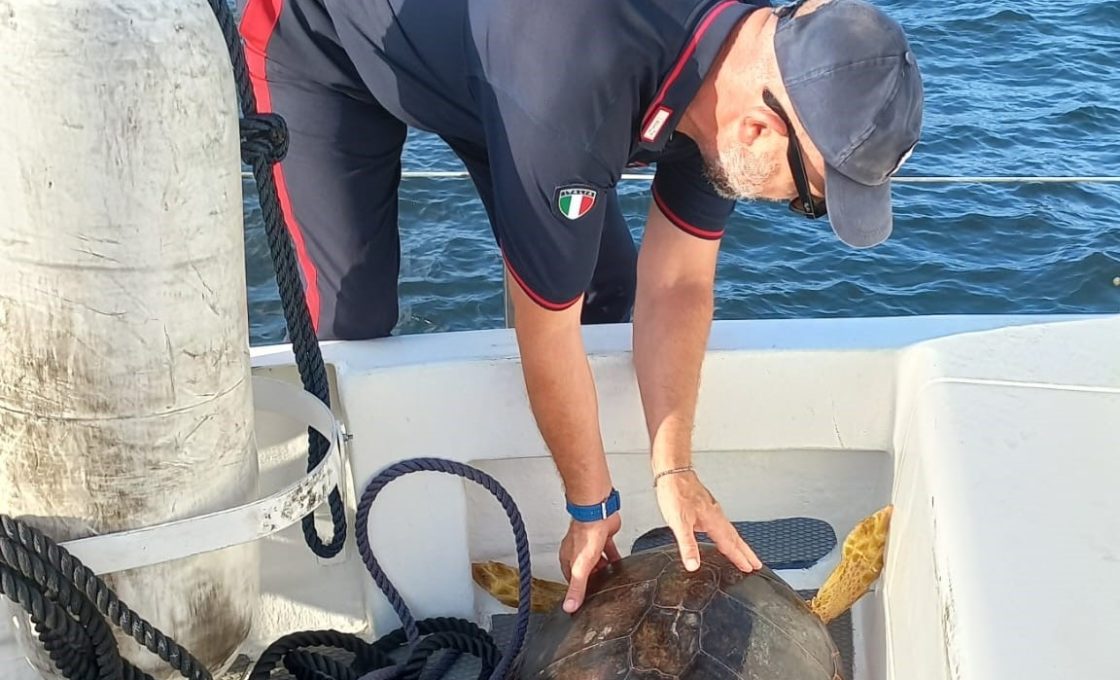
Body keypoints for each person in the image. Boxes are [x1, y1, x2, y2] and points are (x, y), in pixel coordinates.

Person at [238, 0, 924, 613]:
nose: (796, 207)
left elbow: (678, 286)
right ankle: (334, 581)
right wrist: (590, 504)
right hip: (325, 47)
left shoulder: (742, 56)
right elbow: (548, 332)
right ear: (756, 129)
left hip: (496, 66)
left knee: (608, 298)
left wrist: (674, 466)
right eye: (810, 197)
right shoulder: (570, 88)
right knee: (350, 326)